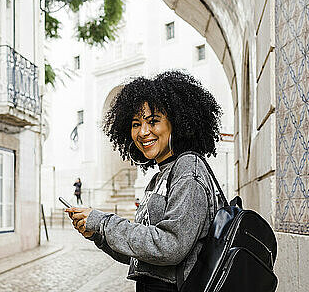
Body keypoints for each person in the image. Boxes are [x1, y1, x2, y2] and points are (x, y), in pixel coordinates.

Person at [66, 71, 223, 292]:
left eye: (153, 121)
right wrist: (99, 235)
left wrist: (104, 222)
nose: (143, 132)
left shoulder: (188, 168)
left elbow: (170, 246)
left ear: (176, 122)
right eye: (135, 124)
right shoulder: (159, 176)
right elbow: (142, 250)